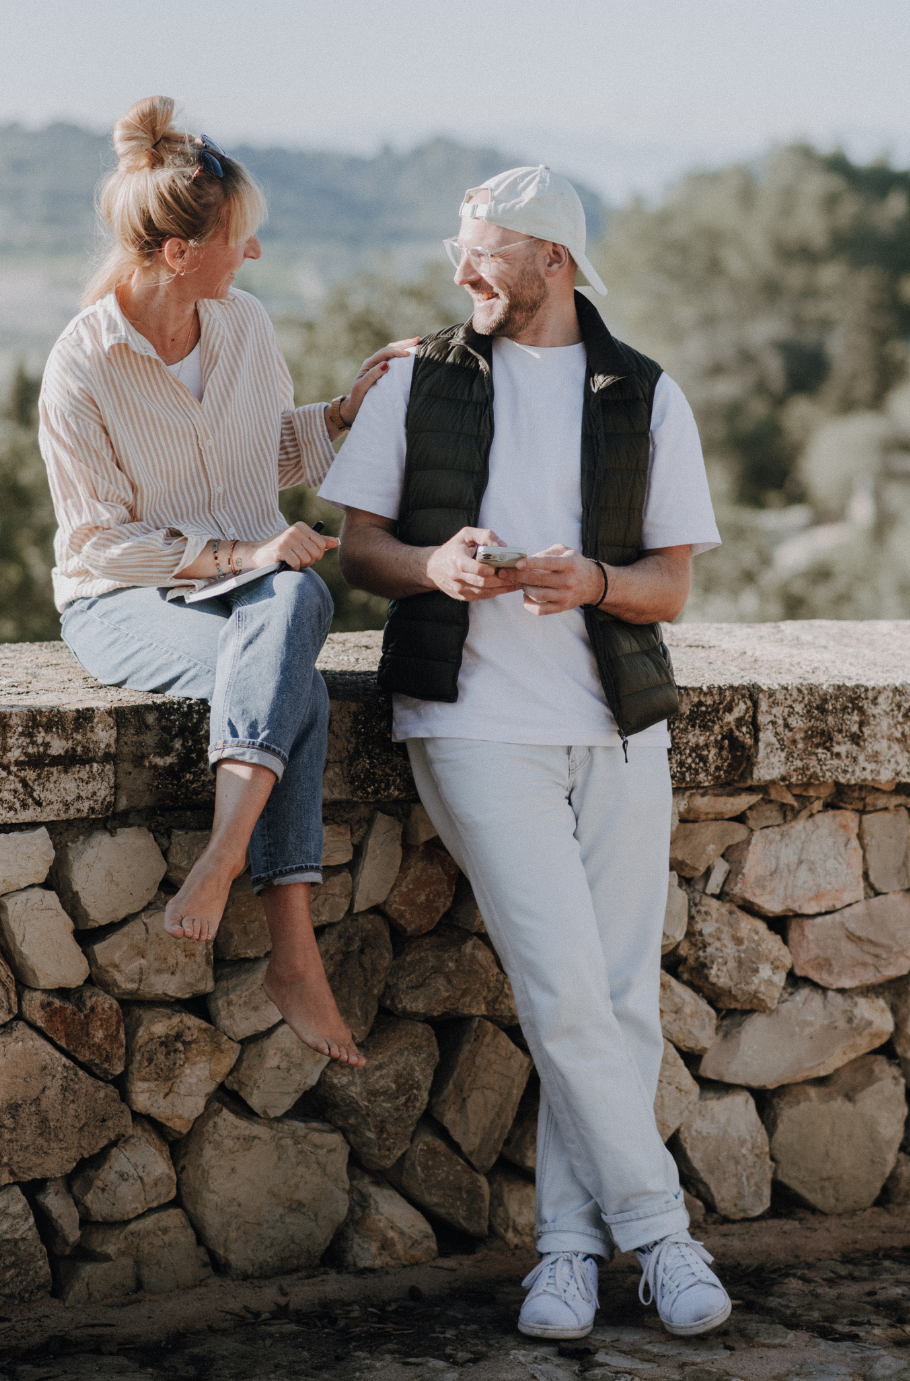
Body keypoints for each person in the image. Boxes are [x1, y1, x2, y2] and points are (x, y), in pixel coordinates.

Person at [319, 166, 731, 1337]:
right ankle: (663, 1236)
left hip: (614, 729)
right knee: (564, 990)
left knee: (611, 1005)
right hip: (473, 723)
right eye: (460, 253)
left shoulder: (644, 394)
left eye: (482, 254)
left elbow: (669, 589)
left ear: (551, 258)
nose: (461, 274)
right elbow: (362, 551)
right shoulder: (418, 381)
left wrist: (595, 580)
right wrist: (435, 565)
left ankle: (563, 1252)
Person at [39, 95, 412, 1069]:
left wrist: (342, 413)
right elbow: (104, 546)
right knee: (298, 667)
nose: (251, 258)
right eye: (239, 240)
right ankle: (293, 951)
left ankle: (222, 855)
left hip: (251, 596)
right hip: (127, 604)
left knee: (296, 602)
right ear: (176, 254)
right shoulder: (83, 366)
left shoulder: (241, 325)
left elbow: (268, 454)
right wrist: (239, 558)